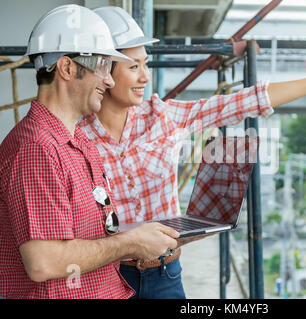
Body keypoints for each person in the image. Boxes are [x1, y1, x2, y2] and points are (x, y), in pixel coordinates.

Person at [79, 6, 306, 299]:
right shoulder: (76, 136)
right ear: (103, 70)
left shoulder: (163, 117)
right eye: (134, 67)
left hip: (165, 273)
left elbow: (246, 101)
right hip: (107, 276)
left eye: (146, 64)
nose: (145, 76)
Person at [0, 4, 179, 299]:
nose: (108, 81)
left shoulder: (79, 142)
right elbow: (44, 262)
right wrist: (131, 243)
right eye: (103, 68)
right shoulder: (36, 149)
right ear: (68, 68)